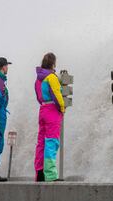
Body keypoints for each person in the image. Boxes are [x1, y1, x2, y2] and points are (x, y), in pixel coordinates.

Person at [34, 53, 65, 182]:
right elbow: (57, 96)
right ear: (53, 64)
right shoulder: (52, 77)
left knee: (41, 143)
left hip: (43, 110)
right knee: (52, 142)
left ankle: (39, 173)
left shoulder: (38, 79)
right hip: (52, 111)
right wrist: (62, 109)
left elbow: (38, 97)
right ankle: (51, 175)